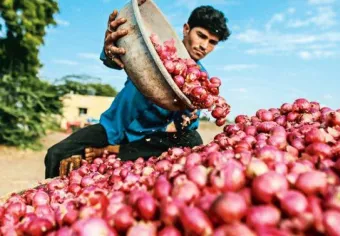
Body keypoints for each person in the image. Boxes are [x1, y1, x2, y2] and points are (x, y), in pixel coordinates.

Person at [44, 1, 231, 178]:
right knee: (55, 154)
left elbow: (185, 129)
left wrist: (189, 113)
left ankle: (114, 153)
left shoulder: (201, 81)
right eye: (201, 36)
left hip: (145, 140)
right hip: (111, 128)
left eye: (212, 42)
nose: (204, 46)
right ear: (186, 29)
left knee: (192, 140)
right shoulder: (157, 51)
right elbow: (118, 58)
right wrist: (111, 49)